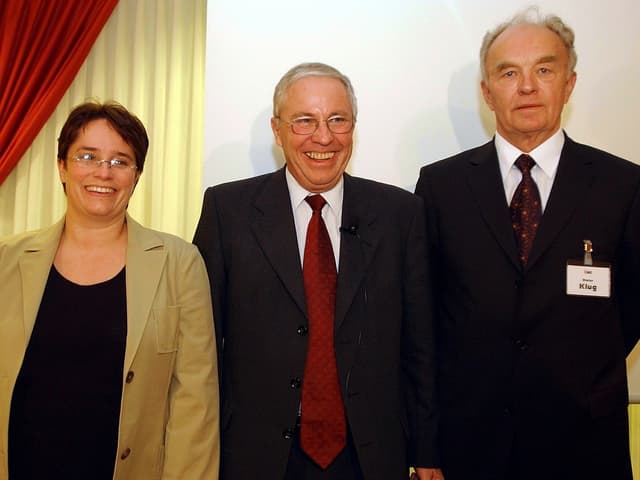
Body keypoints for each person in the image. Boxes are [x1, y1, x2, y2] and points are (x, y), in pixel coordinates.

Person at [415, 7, 640, 480]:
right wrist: (426, 444)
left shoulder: (623, 185)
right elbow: (426, 316)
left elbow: (632, 308)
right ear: (487, 92)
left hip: (584, 443)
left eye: (544, 69)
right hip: (469, 443)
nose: (527, 86)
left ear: (570, 83)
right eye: (508, 72)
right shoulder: (441, 186)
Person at [193, 62, 442, 480]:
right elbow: (201, 348)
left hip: (370, 457)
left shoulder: (401, 214)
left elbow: (421, 345)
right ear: (277, 130)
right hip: (256, 456)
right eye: (304, 120)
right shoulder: (227, 211)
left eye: (337, 120)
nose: (323, 137)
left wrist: (428, 450)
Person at [0, 101, 219, 479]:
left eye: (121, 161)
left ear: (136, 176)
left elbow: (194, 404)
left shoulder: (180, 264)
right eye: (87, 156)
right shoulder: (8, 260)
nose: (104, 172)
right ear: (62, 167)